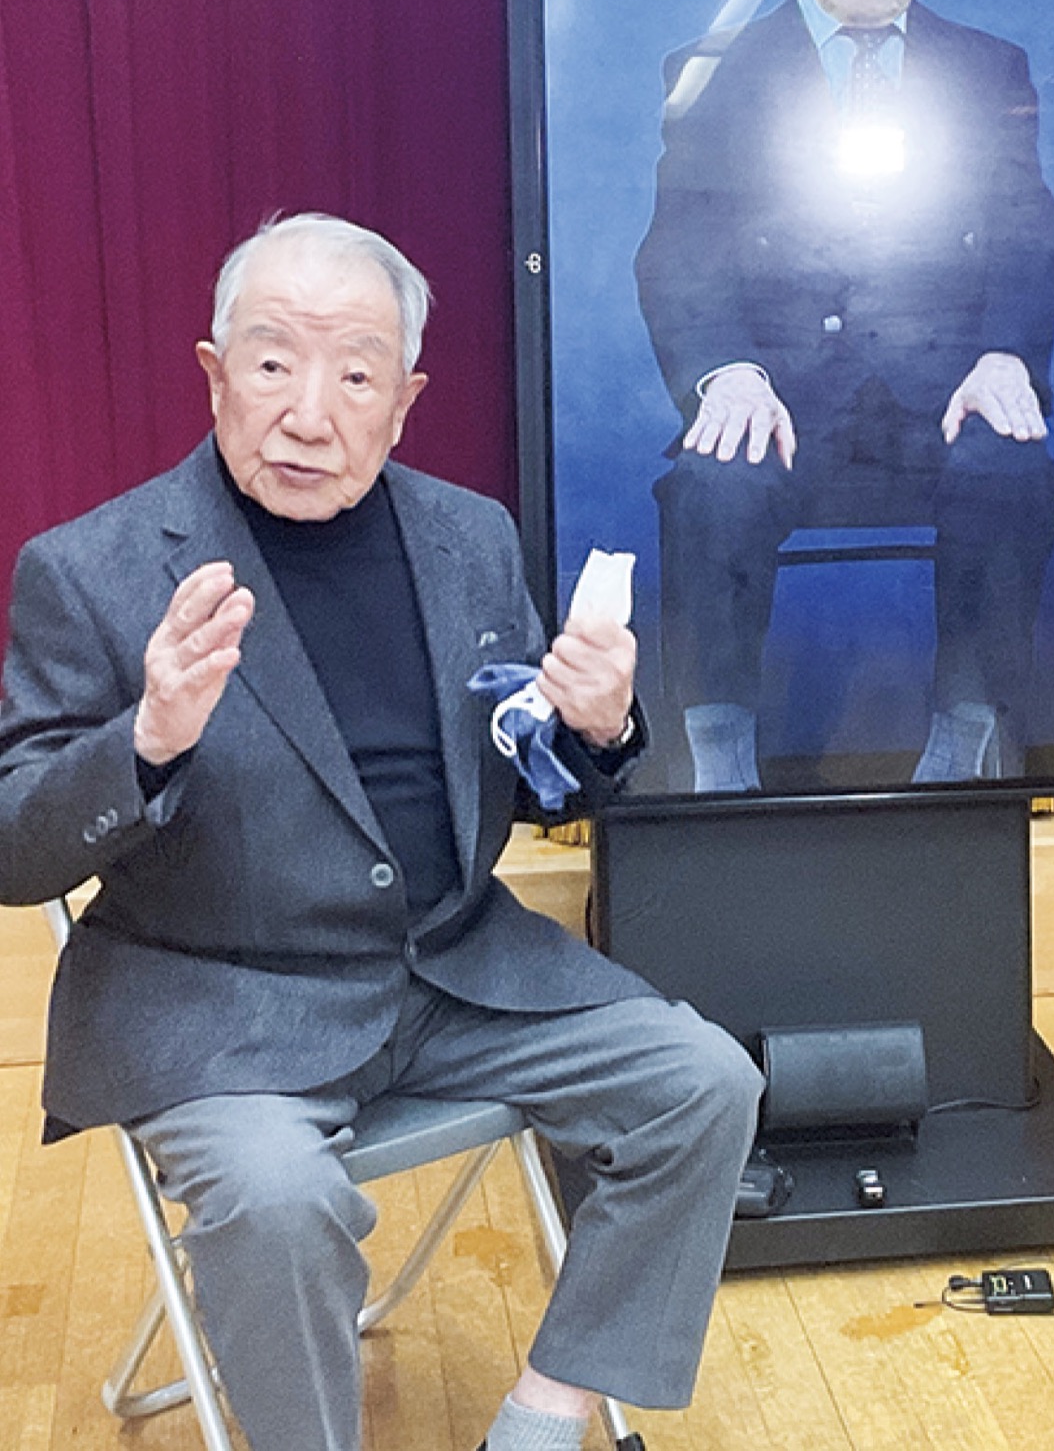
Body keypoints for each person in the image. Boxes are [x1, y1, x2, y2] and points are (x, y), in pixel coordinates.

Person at [0, 214, 762, 1451]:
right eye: (272, 363)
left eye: (355, 375)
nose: (309, 414)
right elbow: (13, 846)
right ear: (214, 374)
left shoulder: (470, 537)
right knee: (275, 1199)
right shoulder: (90, 571)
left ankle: (546, 1419)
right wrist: (145, 739)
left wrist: (600, 725)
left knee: (705, 1084)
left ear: (403, 403)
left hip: (457, 972)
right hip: (224, 1007)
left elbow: (529, 766)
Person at [635, 0, 1054, 791]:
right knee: (711, 484)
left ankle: (961, 757)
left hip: (940, 401)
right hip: (782, 403)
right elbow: (679, 246)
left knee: (1014, 471)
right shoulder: (713, 73)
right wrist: (725, 371)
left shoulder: (991, 69)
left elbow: (1027, 232)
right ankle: (717, 774)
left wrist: (1004, 353)